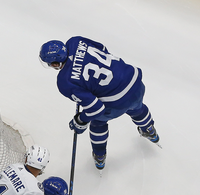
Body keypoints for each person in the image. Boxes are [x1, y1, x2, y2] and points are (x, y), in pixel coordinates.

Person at [39, 38, 160, 170]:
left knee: (98, 122)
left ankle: (100, 156)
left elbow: (96, 109)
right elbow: (102, 48)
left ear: (56, 64)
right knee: (136, 107)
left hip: (117, 101)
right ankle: (149, 130)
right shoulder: (75, 41)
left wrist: (80, 121)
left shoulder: (65, 82)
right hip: (134, 81)